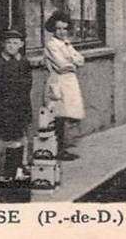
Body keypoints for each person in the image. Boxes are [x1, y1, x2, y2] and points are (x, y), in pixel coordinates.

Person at [0, 29, 33, 179]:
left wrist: (21, 94)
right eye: (8, 43)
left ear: (21, 44)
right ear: (2, 44)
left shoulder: (23, 62)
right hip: (2, 103)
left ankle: (23, 162)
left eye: (15, 43)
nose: (12, 46)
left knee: (22, 133)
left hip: (20, 102)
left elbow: (28, 82)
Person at [43, 11, 85, 161]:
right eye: (58, 29)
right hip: (58, 83)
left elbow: (80, 60)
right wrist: (72, 62)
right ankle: (56, 150)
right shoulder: (51, 45)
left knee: (67, 116)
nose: (62, 32)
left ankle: (62, 149)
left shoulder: (67, 44)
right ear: (53, 29)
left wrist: (72, 61)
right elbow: (61, 65)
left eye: (64, 29)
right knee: (57, 117)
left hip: (70, 83)